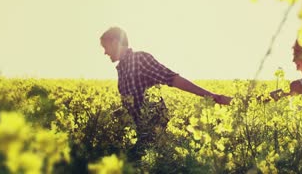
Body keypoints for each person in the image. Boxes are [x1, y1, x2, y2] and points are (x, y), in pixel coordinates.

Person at [99, 27, 231, 155]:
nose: (105, 52)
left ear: (115, 43)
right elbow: (133, 103)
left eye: (105, 47)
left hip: (154, 130)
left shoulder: (139, 59)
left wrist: (212, 96)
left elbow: (172, 79)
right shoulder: (121, 69)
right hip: (140, 133)